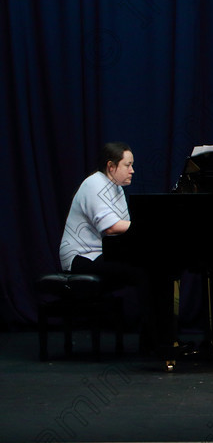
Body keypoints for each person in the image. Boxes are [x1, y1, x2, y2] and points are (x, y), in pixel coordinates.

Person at [58, 142, 156, 351]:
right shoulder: (94, 185)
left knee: (152, 267)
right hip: (80, 258)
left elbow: (126, 232)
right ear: (111, 166)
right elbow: (111, 228)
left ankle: (158, 336)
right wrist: (151, 227)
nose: (132, 170)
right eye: (127, 165)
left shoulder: (117, 189)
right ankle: (153, 340)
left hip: (99, 253)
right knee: (143, 272)